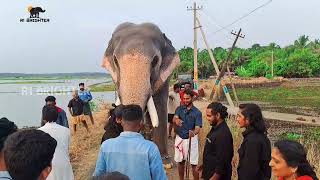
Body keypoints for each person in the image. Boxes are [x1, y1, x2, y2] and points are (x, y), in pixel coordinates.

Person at [93, 104, 167, 180]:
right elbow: (160, 177)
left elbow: (98, 175)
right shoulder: (150, 148)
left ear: (121, 122)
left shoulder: (106, 146)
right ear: (141, 124)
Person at [197, 102, 234, 180]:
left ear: (218, 115)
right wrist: (204, 166)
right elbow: (213, 152)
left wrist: (214, 177)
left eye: (209, 116)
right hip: (209, 173)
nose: (207, 118)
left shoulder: (223, 134)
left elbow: (223, 161)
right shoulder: (215, 128)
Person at [236, 103, 271, 180]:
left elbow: (250, 172)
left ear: (248, 119)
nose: (237, 119)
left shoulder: (253, 141)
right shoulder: (259, 136)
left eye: (239, 116)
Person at [38, 105, 74, 180]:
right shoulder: (66, 130)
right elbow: (66, 148)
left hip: (48, 166)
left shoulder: (39, 132)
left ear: (43, 117)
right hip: (64, 163)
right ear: (57, 116)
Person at [174, 89, 202, 180]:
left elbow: (198, 128)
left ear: (192, 98)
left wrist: (193, 133)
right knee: (180, 162)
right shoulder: (179, 109)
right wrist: (177, 120)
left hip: (191, 139)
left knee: (194, 164)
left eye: (188, 98)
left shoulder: (197, 112)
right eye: (184, 98)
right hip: (180, 138)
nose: (185, 100)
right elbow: (175, 118)